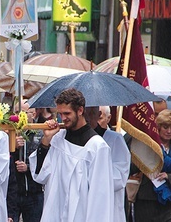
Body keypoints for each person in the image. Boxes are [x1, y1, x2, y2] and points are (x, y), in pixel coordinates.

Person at [29, 88, 115, 221]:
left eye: (67, 113)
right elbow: (41, 175)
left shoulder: (97, 147)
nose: (62, 118)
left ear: (80, 110)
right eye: (60, 113)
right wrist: (46, 140)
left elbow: (100, 197)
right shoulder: (58, 138)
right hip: (55, 213)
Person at [130, 109, 171, 222]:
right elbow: (133, 166)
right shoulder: (149, 144)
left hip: (170, 201)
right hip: (147, 200)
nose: (169, 131)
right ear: (158, 127)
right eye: (165, 127)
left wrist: (169, 176)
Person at [85, 105, 131, 222]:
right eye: (84, 113)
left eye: (91, 113)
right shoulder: (74, 138)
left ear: (99, 114)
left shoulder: (115, 139)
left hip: (107, 203)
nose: (87, 118)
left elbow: (120, 177)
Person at [7, 100, 43, 222]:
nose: (20, 116)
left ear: (33, 114)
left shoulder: (41, 134)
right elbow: (3, 163)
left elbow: (45, 162)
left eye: (24, 112)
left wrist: (28, 167)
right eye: (17, 112)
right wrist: (12, 148)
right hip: (14, 194)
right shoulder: (8, 135)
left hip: (33, 193)